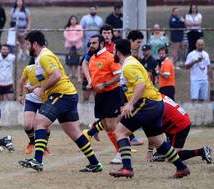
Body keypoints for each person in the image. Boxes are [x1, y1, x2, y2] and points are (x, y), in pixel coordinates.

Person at [18, 31, 103, 173]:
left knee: (39, 122)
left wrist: (42, 88)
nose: (27, 47)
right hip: (67, 94)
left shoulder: (45, 56)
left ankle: (37, 161)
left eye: (28, 44)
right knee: (74, 133)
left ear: (35, 44)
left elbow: (57, 75)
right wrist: (34, 88)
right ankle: (95, 163)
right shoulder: (41, 57)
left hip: (62, 94)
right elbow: (51, 77)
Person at [109, 39, 190, 179]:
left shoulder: (129, 66)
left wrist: (130, 104)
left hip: (146, 103)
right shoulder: (131, 63)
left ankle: (127, 168)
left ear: (118, 51)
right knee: (158, 141)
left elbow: (141, 85)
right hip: (155, 103)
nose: (112, 53)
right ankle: (182, 167)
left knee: (120, 132)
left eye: (114, 50)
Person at [83, 34, 123, 165]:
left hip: (111, 93)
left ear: (101, 44)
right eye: (90, 43)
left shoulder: (110, 57)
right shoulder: (93, 58)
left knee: (112, 125)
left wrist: (105, 84)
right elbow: (89, 70)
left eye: (94, 43)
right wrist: (90, 83)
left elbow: (119, 76)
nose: (91, 45)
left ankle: (121, 152)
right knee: (106, 126)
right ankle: (119, 150)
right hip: (99, 96)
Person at [147, 95, 211, 164]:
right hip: (179, 120)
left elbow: (153, 131)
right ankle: (162, 153)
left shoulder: (152, 105)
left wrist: (150, 150)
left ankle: (202, 151)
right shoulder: (155, 95)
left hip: (179, 125)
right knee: (163, 149)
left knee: (173, 157)